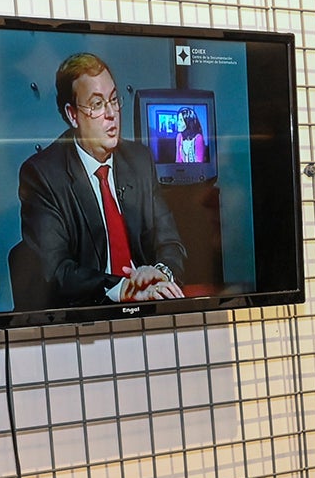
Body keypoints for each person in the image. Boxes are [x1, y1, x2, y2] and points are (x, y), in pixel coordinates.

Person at [13, 52, 188, 308]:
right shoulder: (43, 175)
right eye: (96, 105)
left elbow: (170, 241)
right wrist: (120, 288)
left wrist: (160, 271)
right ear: (73, 115)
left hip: (147, 309)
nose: (111, 114)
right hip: (87, 319)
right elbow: (56, 272)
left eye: (114, 100)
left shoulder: (138, 160)